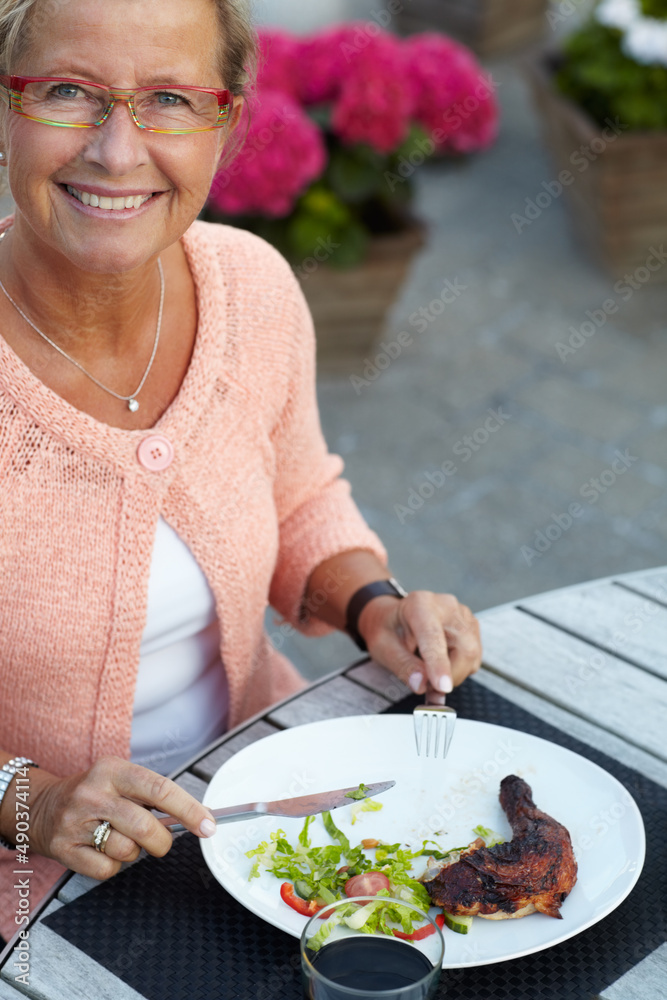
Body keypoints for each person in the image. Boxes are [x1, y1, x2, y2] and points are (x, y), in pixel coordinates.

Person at [0, 0, 482, 944]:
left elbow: (300, 493)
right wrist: (34, 804)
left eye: (172, 100)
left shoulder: (250, 286)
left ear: (226, 123)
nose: (117, 152)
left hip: (266, 818)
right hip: (31, 911)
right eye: (68, 93)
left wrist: (374, 608)